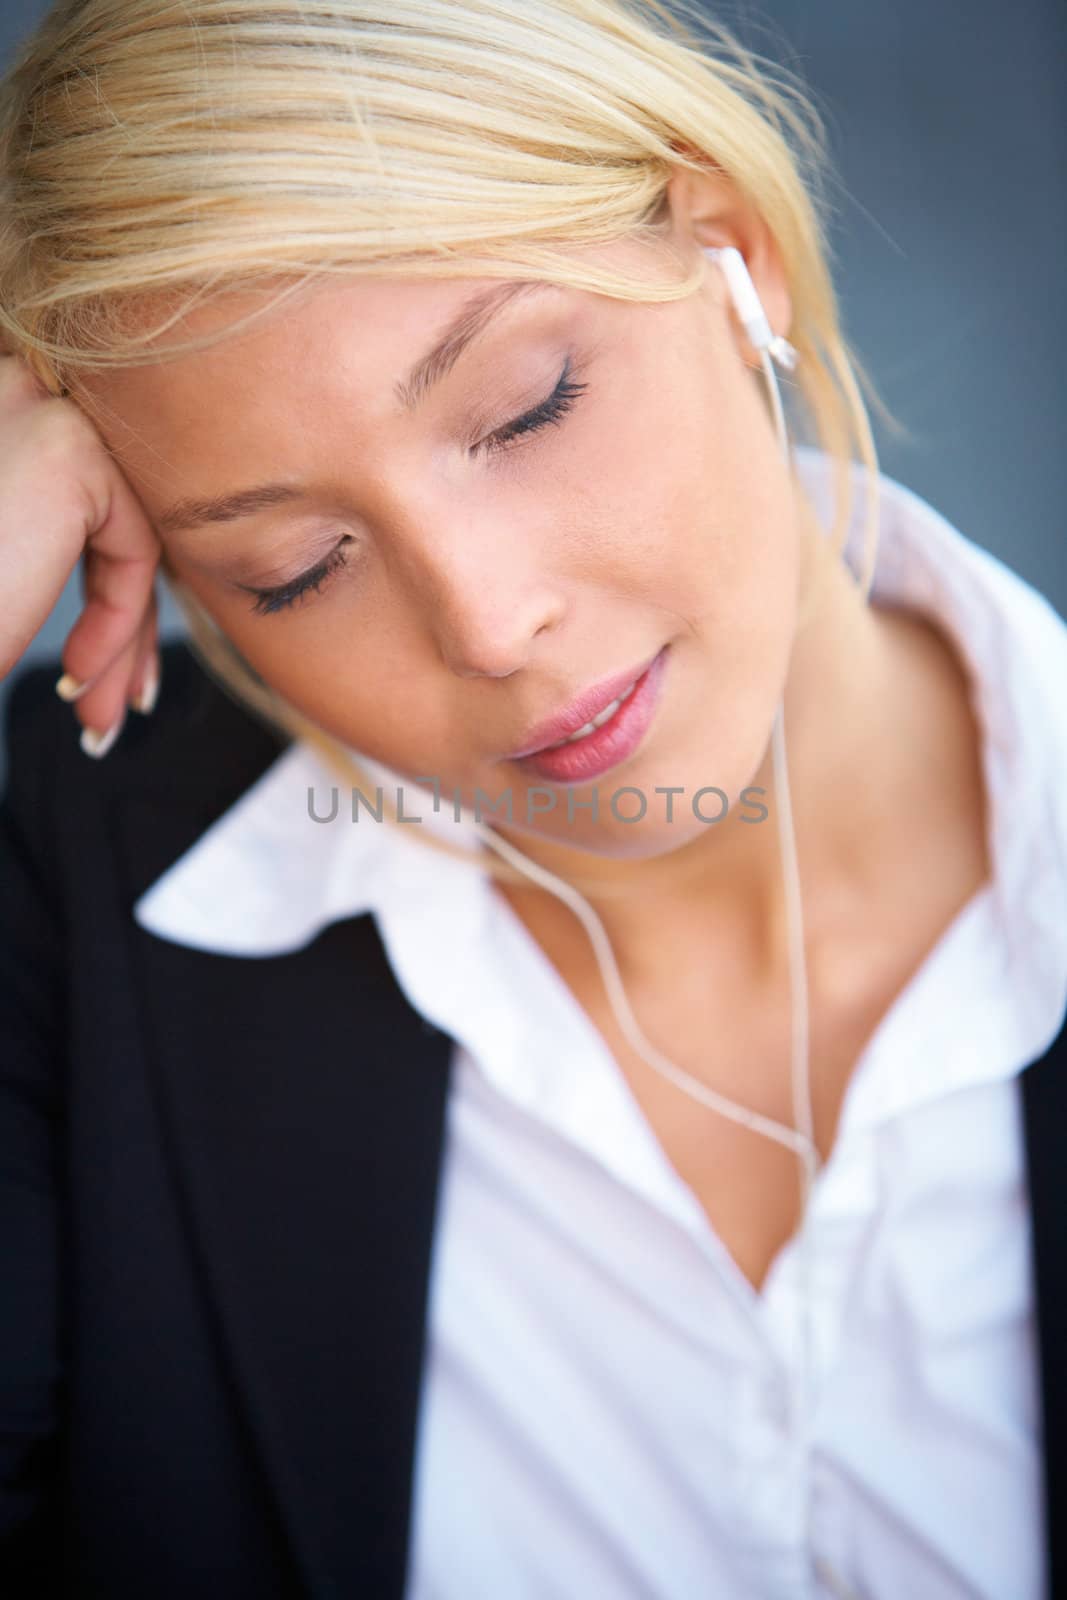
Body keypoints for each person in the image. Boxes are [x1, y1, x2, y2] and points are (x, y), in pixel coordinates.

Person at [1, 2, 1064, 1596]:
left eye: (524, 410)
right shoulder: (60, 889)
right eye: (292, 570)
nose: (487, 624)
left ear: (733, 254)